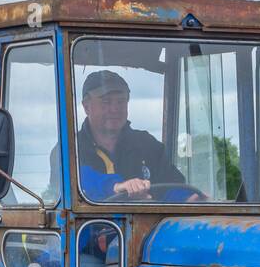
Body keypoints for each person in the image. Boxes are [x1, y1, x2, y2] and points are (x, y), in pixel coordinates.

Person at [75, 70, 187, 200]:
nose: (115, 109)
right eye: (106, 102)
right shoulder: (70, 149)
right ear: (86, 107)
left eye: (121, 101)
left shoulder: (147, 145)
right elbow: (77, 178)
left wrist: (187, 198)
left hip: (147, 221)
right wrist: (115, 186)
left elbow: (171, 183)